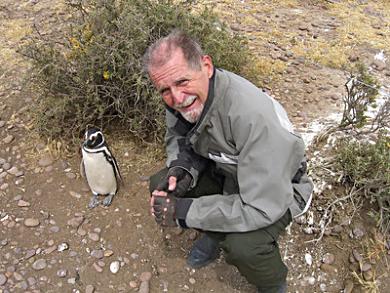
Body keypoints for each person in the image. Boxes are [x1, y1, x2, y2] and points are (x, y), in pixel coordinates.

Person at [142, 30, 313, 293]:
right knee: (165, 185)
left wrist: (185, 212)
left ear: (206, 66)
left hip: (279, 189)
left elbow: (260, 207)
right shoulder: (183, 100)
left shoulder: (252, 118)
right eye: (165, 90)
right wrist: (182, 169)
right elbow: (180, 137)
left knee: (244, 247)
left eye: (182, 81)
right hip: (230, 170)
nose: (176, 98)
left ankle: (273, 284)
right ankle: (214, 233)